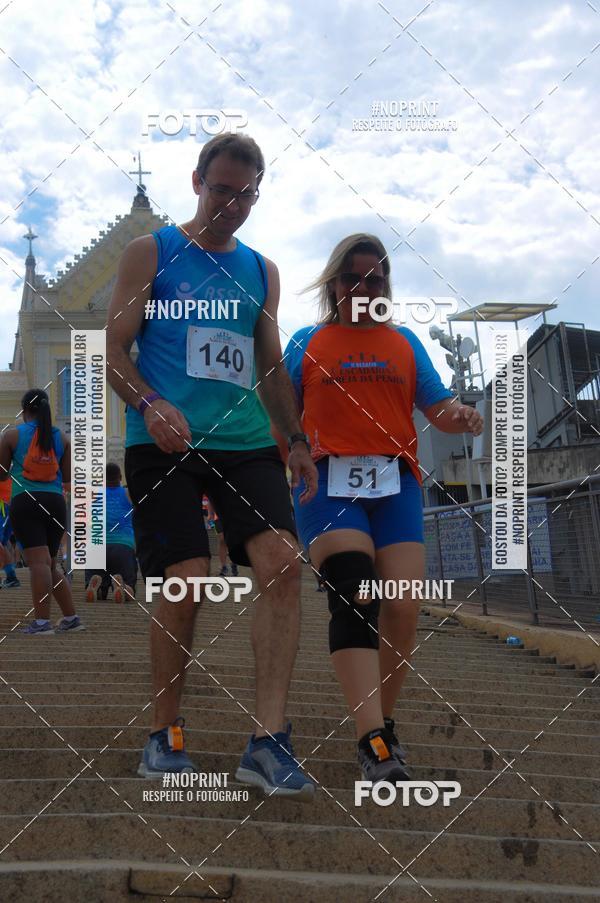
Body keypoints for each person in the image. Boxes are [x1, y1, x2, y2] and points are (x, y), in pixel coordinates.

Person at [106, 133, 318, 798]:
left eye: (245, 194)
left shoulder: (262, 270)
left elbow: (271, 362)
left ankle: (268, 740)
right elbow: (109, 347)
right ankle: (164, 734)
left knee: (283, 564)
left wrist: (298, 436)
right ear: (197, 181)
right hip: (163, 438)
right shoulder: (154, 253)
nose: (232, 203)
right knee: (186, 576)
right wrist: (149, 401)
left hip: (247, 440)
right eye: (221, 188)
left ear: (258, 195)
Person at [283, 233, 483, 785]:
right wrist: (291, 454)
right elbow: (280, 413)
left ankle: (382, 723)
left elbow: (437, 408)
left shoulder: (404, 344)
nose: (365, 287)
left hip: (395, 483)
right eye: (353, 277)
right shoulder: (307, 342)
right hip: (328, 481)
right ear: (334, 284)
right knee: (353, 592)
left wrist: (460, 414)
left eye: (376, 278)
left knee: (402, 605)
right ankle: (372, 743)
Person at [0, 389, 85, 634]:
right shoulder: (63, 438)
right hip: (56, 502)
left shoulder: (12, 435)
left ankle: (41, 623)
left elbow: (2, 472)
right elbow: (67, 477)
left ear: (24, 409)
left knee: (38, 562)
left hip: (26, 500)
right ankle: (71, 618)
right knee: (49, 564)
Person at [85, 462, 138, 603]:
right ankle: (123, 586)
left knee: (98, 590)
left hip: (96, 546)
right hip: (123, 546)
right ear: (120, 477)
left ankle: (95, 586)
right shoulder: (128, 493)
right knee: (130, 591)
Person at [204, 496, 238, 577]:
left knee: (232, 539)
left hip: (232, 516)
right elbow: (210, 499)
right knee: (222, 539)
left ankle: (234, 563)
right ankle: (224, 567)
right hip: (218, 517)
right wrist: (210, 514)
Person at [0, 478, 20, 589]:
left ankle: (12, 577)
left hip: (3, 506)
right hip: (7, 505)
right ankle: (11, 577)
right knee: (3, 544)